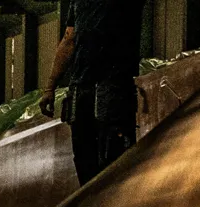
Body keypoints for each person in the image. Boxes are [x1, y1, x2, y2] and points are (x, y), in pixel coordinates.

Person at [40, 0, 147, 184]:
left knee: (97, 162)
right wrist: (50, 86)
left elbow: (69, 40)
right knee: (100, 161)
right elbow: (69, 39)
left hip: (103, 90)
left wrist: (51, 86)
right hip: (98, 92)